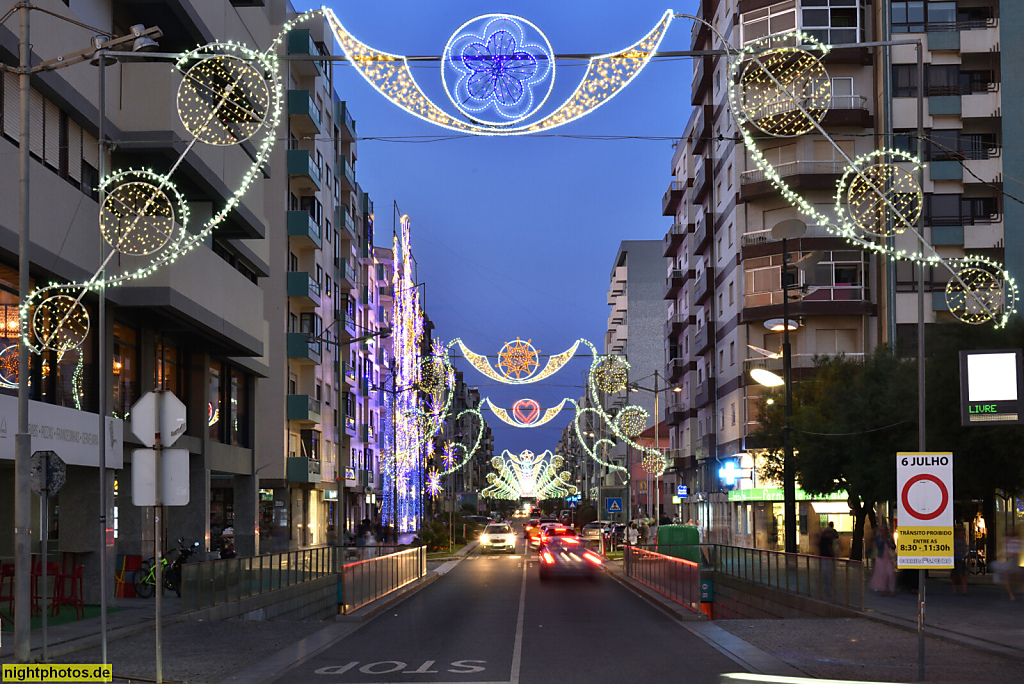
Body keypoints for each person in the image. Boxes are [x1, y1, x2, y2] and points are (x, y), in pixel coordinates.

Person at [869, 522, 896, 596]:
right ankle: (882, 589)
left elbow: (894, 546)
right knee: (882, 574)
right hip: (881, 558)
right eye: (881, 530)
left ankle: (891, 589)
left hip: (889, 558)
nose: (882, 532)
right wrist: (882, 540)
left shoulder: (890, 537)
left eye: (884, 530)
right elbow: (879, 546)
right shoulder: (878, 537)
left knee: (890, 574)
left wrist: (889, 542)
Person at [950, 528, 968, 595]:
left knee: (959, 575)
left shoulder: (960, 541)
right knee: (958, 575)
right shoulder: (959, 541)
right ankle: (963, 590)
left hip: (958, 558)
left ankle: (962, 590)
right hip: (957, 558)